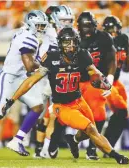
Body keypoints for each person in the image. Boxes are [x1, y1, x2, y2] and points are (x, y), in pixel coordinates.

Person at [3, 27, 129, 165]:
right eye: (66, 43)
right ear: (60, 43)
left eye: (73, 42)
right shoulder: (52, 58)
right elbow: (31, 81)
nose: (70, 46)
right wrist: (12, 99)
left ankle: (73, 140)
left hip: (79, 100)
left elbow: (94, 71)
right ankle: (117, 156)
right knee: (91, 129)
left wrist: (104, 82)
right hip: (62, 107)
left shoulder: (83, 55)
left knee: (90, 132)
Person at [0, 10, 49, 158]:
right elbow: (30, 66)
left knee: (37, 107)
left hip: (21, 77)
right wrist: (43, 63)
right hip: (9, 78)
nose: (41, 29)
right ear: (30, 24)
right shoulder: (28, 37)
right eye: (38, 25)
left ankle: (17, 140)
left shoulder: (26, 33)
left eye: (43, 25)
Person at [48, 11, 116, 160]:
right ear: (78, 26)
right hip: (74, 81)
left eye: (89, 26)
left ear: (94, 24)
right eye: (83, 26)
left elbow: (112, 58)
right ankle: (54, 142)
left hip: (93, 81)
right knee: (61, 118)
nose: (86, 30)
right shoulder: (72, 39)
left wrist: (108, 79)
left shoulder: (104, 37)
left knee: (98, 116)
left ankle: (91, 148)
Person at [35, 5, 75, 158]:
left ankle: (44, 147)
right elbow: (41, 56)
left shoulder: (70, 33)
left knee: (50, 115)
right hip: (47, 75)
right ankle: (41, 147)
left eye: (69, 20)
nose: (67, 23)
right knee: (44, 114)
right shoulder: (49, 32)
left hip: (60, 76)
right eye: (64, 20)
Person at [102, 15, 129, 156]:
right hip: (103, 81)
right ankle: (100, 146)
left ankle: (107, 146)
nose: (113, 32)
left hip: (116, 81)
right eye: (110, 30)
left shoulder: (123, 39)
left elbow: (127, 63)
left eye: (115, 29)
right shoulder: (101, 41)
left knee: (122, 114)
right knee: (100, 115)